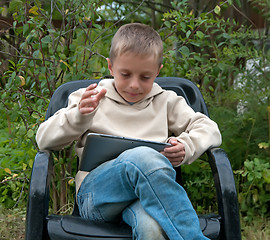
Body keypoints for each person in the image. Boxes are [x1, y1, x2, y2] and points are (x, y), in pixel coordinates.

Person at [36, 23, 222, 240]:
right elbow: (43, 140)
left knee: (151, 228)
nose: (134, 85)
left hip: (145, 200)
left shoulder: (167, 101)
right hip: (96, 198)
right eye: (125, 74)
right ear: (111, 67)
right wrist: (79, 116)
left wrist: (187, 146)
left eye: (145, 77)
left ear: (158, 71)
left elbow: (210, 129)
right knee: (142, 156)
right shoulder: (89, 98)